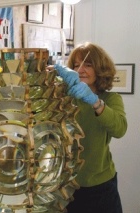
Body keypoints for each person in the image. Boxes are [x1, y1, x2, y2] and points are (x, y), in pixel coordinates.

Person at [51, 42, 127, 213]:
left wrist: (95, 101)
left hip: (100, 186)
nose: (81, 70)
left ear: (100, 69)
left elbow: (120, 129)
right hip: (65, 186)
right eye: (76, 65)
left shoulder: (110, 99)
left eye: (88, 65)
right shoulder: (65, 99)